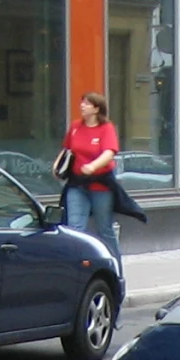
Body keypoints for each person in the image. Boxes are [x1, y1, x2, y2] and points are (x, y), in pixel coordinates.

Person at [60, 92, 125, 276]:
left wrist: (93, 166)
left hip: (100, 186)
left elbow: (109, 152)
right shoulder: (75, 127)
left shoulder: (106, 128)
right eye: (82, 103)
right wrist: (58, 167)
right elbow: (67, 150)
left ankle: (115, 270)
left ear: (96, 109)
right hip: (77, 184)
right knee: (75, 228)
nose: (82, 106)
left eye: (87, 104)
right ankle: (76, 271)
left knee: (104, 229)